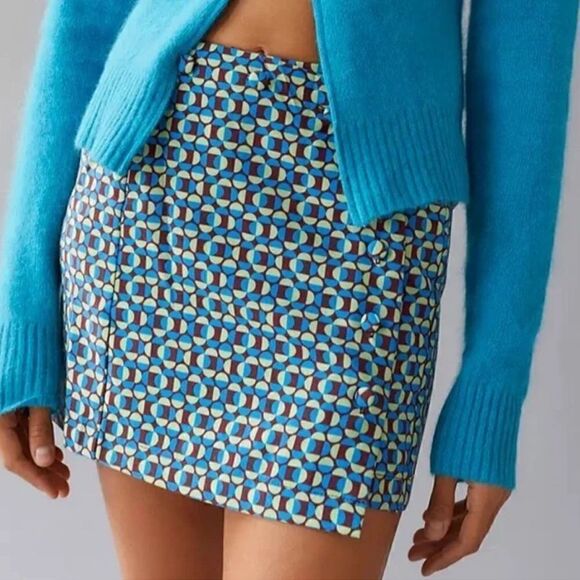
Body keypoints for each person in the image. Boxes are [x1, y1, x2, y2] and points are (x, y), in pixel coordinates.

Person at [0, 0, 577, 578]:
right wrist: (22, 312)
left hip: (361, 246)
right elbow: (85, 15)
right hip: (153, 193)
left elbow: (528, 47)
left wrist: (493, 383)